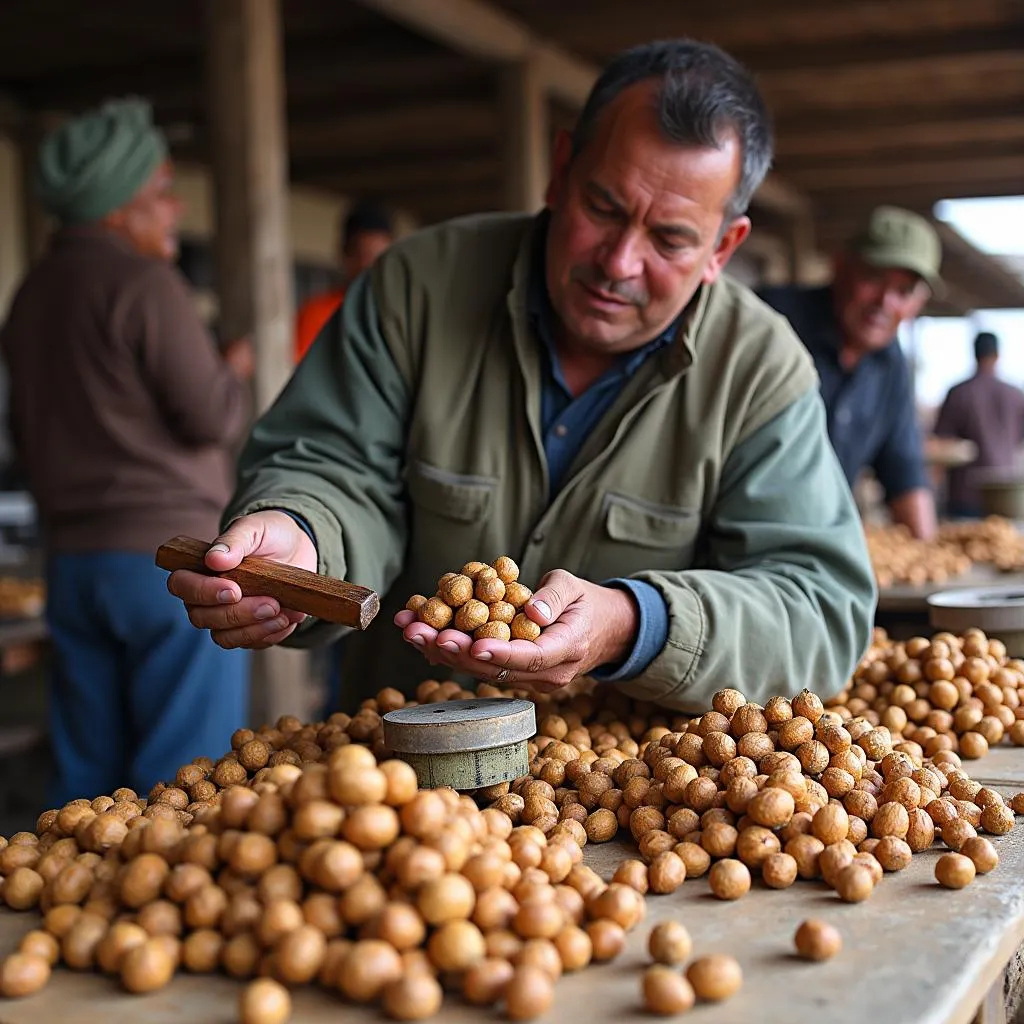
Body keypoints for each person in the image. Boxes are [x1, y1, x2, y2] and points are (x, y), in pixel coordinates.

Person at [167, 39, 876, 714]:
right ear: (560, 170)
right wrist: (304, 536)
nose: (620, 263)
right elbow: (331, 463)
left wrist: (636, 624)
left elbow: (818, 609)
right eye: (603, 207)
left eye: (669, 239)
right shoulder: (417, 287)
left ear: (724, 246)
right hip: (395, 782)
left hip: (632, 810)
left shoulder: (760, 368)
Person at [0, 98, 253, 804]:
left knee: (84, 783)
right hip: (164, 565)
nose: (174, 211)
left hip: (75, 567)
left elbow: (28, 429)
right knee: (182, 785)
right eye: (163, 193)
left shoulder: (30, 297)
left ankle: (68, 909)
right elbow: (208, 415)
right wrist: (232, 371)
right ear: (116, 209)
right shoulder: (144, 285)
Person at [759, 206, 942, 540]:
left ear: (918, 303)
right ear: (840, 267)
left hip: (817, 546)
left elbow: (904, 469)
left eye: (903, 292)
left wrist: (929, 555)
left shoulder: (891, 366)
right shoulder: (770, 323)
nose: (885, 302)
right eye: (873, 279)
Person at [934, 332, 1024, 518]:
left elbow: (943, 445)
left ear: (974, 354)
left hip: (966, 494)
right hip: (1005, 493)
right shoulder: (1015, 395)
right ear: (997, 355)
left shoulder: (959, 393)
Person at [293, 201, 395, 364]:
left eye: (380, 258)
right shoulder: (318, 314)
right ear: (345, 256)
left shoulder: (401, 314)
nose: (370, 267)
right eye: (363, 256)